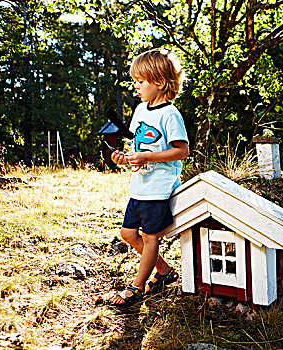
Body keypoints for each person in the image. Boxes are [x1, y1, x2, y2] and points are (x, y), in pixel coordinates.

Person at [109, 48, 189, 306]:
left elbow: (182, 151)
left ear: (160, 83)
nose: (137, 87)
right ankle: (165, 271)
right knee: (127, 234)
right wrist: (125, 158)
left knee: (149, 237)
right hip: (139, 187)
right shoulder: (141, 110)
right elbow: (138, 148)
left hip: (159, 189)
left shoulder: (170, 115)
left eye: (141, 82)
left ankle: (137, 286)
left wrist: (147, 158)